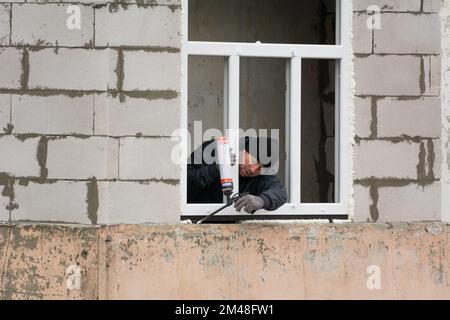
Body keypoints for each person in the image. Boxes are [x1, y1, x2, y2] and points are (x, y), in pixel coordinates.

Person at [187, 136, 287, 214]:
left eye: (260, 168)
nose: (253, 170)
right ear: (244, 150)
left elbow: (280, 192)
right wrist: (215, 169)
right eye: (254, 161)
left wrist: (263, 200)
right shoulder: (214, 149)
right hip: (195, 217)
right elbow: (183, 185)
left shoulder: (260, 176)